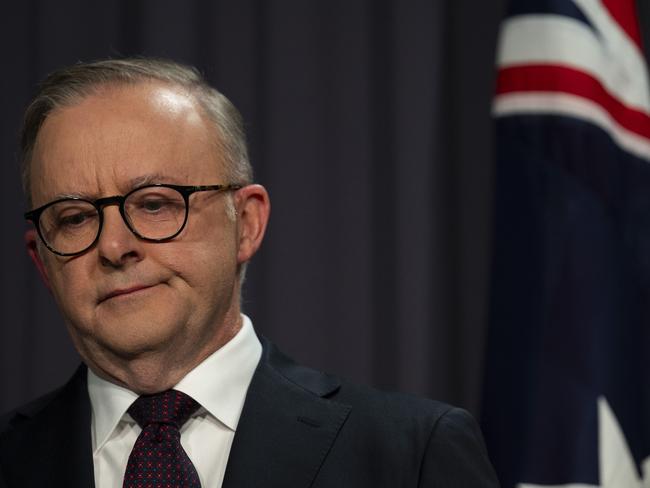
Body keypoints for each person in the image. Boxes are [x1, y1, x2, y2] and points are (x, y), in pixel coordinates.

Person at [0, 58, 499, 487]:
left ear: (247, 224)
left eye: (154, 204)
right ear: (42, 260)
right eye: (74, 219)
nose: (113, 246)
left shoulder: (410, 455)